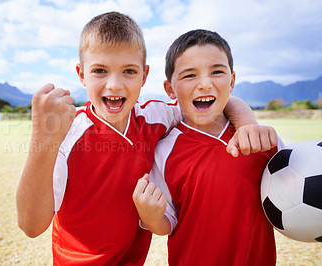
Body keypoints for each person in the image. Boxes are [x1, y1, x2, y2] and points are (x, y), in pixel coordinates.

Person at [16, 12, 277, 265]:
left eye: (129, 71)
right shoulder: (67, 134)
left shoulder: (155, 116)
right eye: (100, 71)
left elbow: (215, 101)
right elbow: (31, 226)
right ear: (81, 74)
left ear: (144, 75)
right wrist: (43, 137)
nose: (115, 85)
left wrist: (246, 125)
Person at [133, 29, 284, 265]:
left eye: (217, 72)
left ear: (232, 81)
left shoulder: (262, 138)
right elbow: (167, 223)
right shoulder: (165, 151)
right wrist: (151, 217)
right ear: (170, 89)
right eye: (189, 75)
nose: (205, 84)